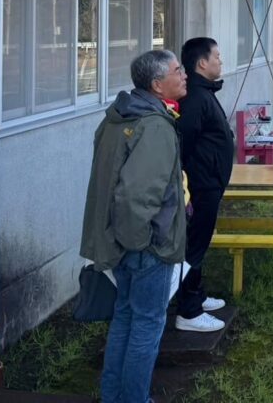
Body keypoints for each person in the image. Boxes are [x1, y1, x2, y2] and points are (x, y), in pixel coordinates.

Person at [80, 49, 188, 403]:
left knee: (125, 318)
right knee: (146, 325)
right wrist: (143, 242)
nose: (184, 75)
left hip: (118, 241)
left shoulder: (118, 117)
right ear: (157, 85)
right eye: (177, 70)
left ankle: (115, 396)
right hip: (145, 247)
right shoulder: (153, 125)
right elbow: (136, 195)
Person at [175, 37, 234, 332]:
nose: (220, 61)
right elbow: (183, 143)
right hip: (199, 186)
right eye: (217, 56)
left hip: (208, 182)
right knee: (193, 247)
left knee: (199, 243)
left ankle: (196, 294)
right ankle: (188, 312)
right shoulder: (196, 97)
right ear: (202, 63)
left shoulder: (203, 91)